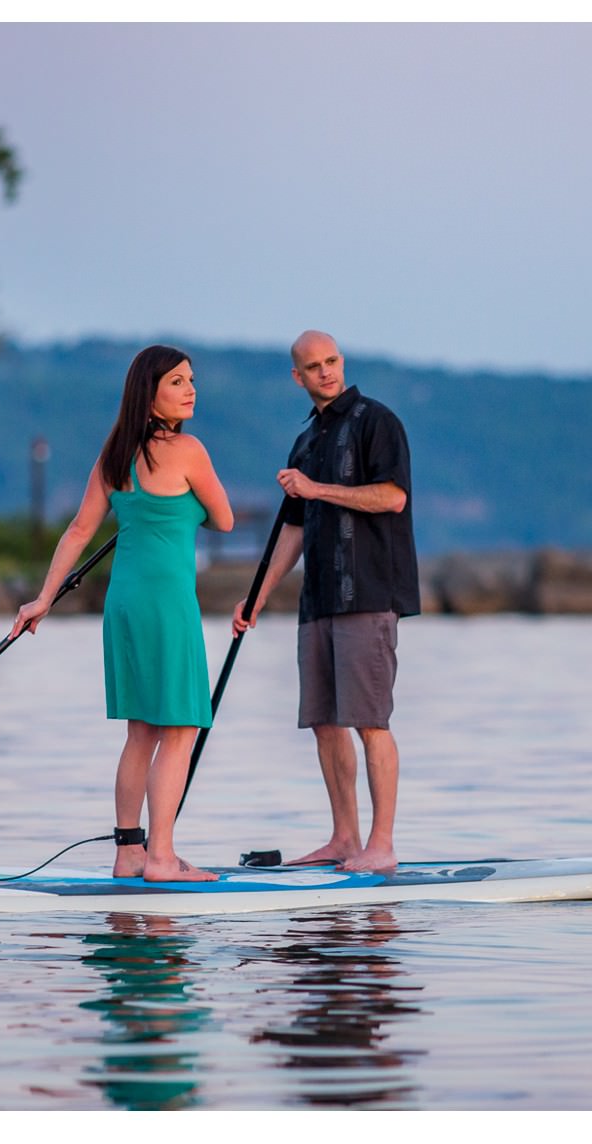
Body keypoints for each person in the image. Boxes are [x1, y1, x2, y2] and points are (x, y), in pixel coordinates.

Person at [11, 344, 234, 882]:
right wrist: (188, 509)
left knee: (140, 733)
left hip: (124, 605)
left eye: (191, 380)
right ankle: (162, 857)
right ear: (150, 395)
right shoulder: (190, 452)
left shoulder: (114, 455)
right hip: (168, 606)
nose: (190, 389)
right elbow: (224, 519)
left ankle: (129, 852)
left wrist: (43, 598)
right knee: (179, 730)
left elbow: (79, 531)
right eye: (178, 381)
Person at [232, 330, 420, 872]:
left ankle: (380, 846)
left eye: (332, 361)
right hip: (318, 601)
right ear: (298, 376)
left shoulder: (376, 421)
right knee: (324, 721)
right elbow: (292, 531)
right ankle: (344, 839)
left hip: (368, 593)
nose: (326, 372)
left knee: (370, 722)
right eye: (313, 366)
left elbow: (392, 496)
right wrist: (257, 598)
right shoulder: (306, 442)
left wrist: (317, 490)